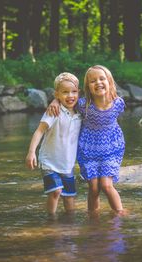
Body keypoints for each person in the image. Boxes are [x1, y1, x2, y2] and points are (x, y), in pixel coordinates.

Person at [47, 65, 125, 214]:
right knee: (94, 187)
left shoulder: (118, 103)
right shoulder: (83, 105)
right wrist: (55, 101)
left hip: (112, 147)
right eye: (93, 81)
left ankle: (120, 214)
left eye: (102, 79)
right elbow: (65, 100)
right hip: (88, 149)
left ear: (109, 81)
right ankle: (93, 218)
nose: (98, 83)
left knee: (106, 185)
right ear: (88, 87)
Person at [25, 72, 81, 215]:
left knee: (69, 198)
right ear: (57, 94)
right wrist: (31, 152)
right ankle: (51, 221)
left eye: (74, 92)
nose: (70, 96)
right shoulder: (54, 111)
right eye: (65, 92)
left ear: (79, 92)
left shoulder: (81, 112)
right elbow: (39, 131)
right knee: (56, 191)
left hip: (67, 164)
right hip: (49, 161)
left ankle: (70, 223)